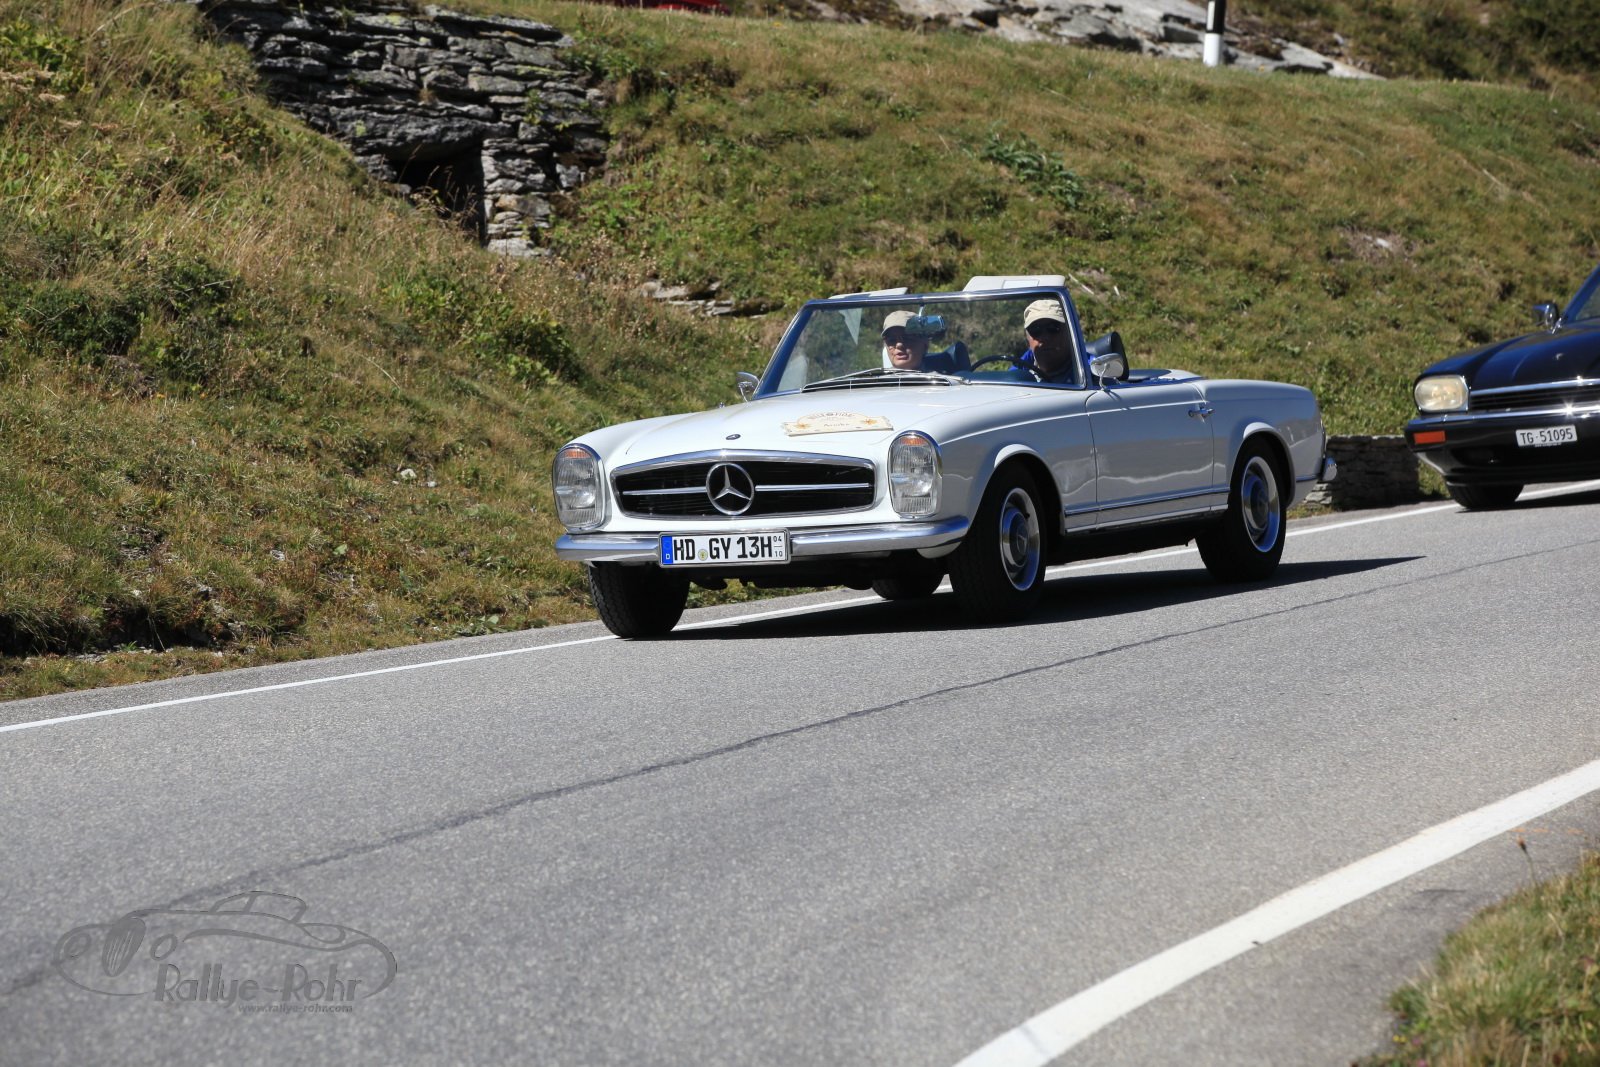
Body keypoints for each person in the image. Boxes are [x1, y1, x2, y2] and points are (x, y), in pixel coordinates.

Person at [1014, 299, 1078, 384]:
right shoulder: (1013, 378)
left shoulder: (1091, 375)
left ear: (1070, 333)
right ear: (1027, 338)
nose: (1044, 337)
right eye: (1035, 330)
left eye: (1053, 328)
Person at [881, 310, 967, 373]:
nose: (899, 345)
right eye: (891, 340)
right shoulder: (877, 383)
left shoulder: (940, 383)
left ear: (925, 344)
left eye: (907, 338)